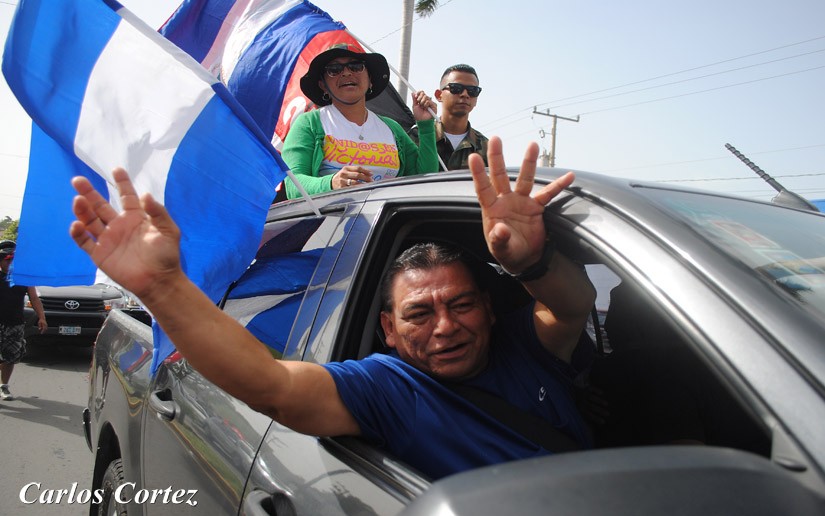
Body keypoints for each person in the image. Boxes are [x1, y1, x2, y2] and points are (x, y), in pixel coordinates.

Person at [69, 137, 596, 480]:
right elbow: (272, 386)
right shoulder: (387, 388)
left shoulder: (524, 348)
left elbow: (573, 306)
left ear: (489, 309)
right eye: (419, 314)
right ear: (388, 329)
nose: (445, 326)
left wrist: (531, 262)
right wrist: (164, 289)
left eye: (461, 305)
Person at [282, 44, 439, 199]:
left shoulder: (392, 128)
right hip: (331, 216)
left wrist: (425, 126)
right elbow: (292, 186)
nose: (346, 73)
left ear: (370, 80)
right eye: (334, 70)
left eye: (356, 66)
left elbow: (424, 181)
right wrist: (331, 183)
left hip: (385, 215)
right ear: (323, 85)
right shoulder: (309, 123)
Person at [409, 64, 489, 171]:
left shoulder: (486, 147)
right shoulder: (416, 137)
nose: (465, 94)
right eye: (456, 88)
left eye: (472, 90)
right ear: (439, 95)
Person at [0, 240, 47, 400]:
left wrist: (42, 317)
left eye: (13, 260)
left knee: (10, 356)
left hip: (15, 323)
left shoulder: (24, 278)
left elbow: (34, 298)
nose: (10, 263)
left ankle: (4, 386)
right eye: (7, 260)